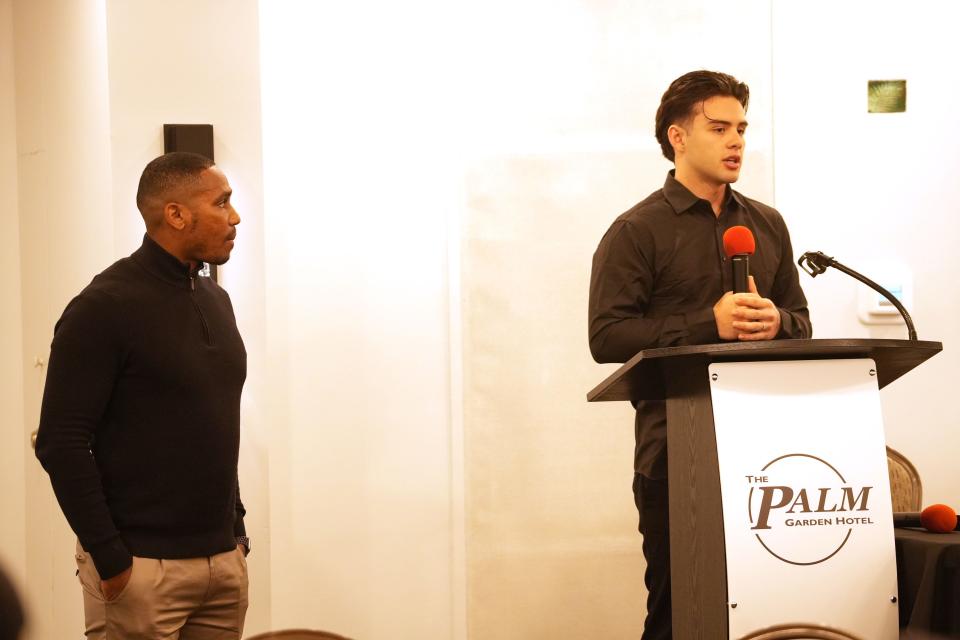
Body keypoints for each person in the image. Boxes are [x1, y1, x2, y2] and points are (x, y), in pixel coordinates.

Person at [588, 71, 812, 639]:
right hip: (677, 457)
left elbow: (802, 324)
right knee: (679, 615)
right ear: (678, 137)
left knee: (765, 611)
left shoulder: (766, 223)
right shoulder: (636, 230)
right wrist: (703, 324)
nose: (737, 141)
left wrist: (776, 322)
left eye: (742, 128)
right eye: (719, 128)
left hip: (768, 455)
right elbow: (607, 337)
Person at [35, 152, 250, 639]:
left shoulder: (216, 300)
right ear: (175, 214)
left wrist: (235, 532)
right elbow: (60, 442)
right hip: (141, 569)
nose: (234, 217)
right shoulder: (103, 307)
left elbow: (211, 422)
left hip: (222, 564)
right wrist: (111, 558)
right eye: (222, 202)